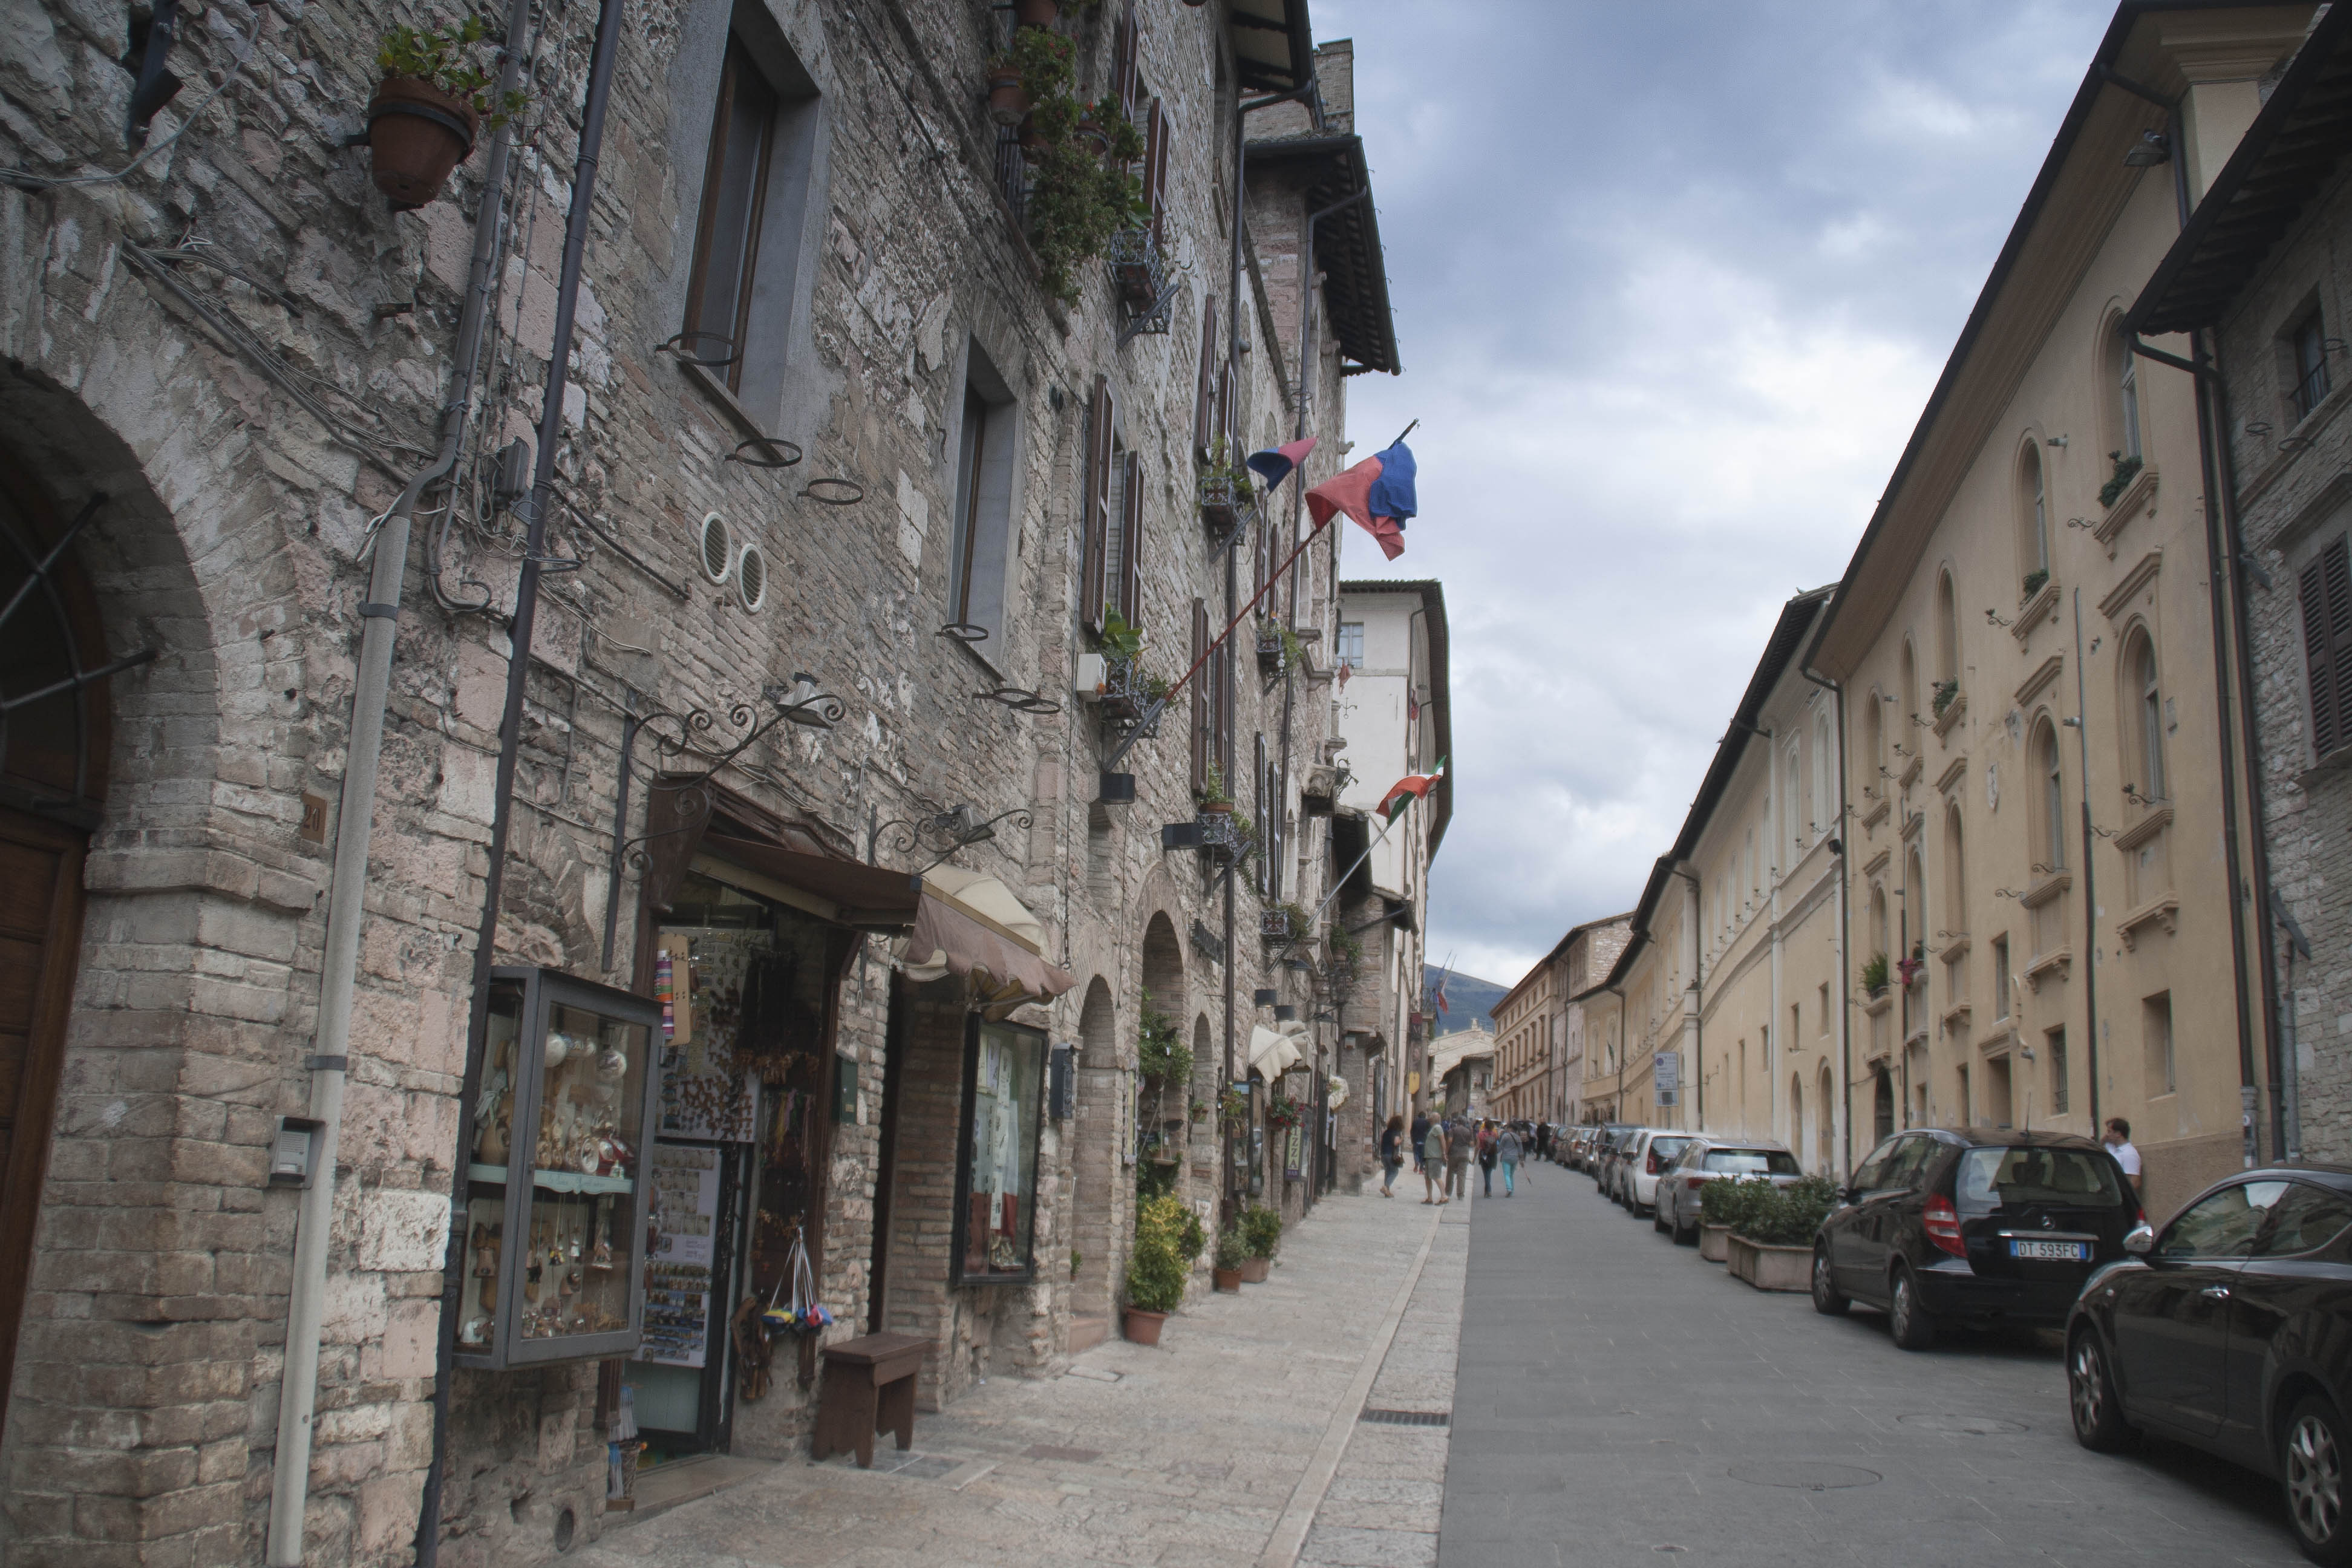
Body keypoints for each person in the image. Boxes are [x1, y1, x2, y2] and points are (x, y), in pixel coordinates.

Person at [2104, 1118, 2143, 1195]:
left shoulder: (2129, 1154)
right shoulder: (2110, 1147)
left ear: (2118, 1134)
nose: (2107, 1135)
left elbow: (2135, 1182)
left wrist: (2119, 1196)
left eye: (2109, 1132)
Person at [1421, 1116, 1449, 1204]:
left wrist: (1444, 1153)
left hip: (1435, 1157)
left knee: (1436, 1177)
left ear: (1434, 1119)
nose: (1429, 1119)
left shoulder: (1438, 1128)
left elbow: (1443, 1141)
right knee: (1428, 1177)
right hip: (1430, 1156)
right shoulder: (1433, 1128)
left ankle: (1444, 1197)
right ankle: (1430, 1198)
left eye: (1431, 1117)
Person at [1446, 1116, 1473, 1201]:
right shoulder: (1468, 1131)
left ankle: (1448, 1192)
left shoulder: (1452, 1130)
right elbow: (1472, 1144)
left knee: (1450, 1173)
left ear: (1457, 1122)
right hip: (1464, 1154)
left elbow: (1450, 1141)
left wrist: (1446, 1151)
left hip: (1453, 1153)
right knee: (1462, 1174)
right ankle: (1460, 1194)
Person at [1379, 1113, 1405, 1198]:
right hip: (1391, 1154)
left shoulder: (1386, 1132)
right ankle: (1386, 1187)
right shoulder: (1397, 1132)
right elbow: (1396, 1142)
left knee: (1388, 1171)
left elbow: (1381, 1142)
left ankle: (1387, 1191)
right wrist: (1401, 1139)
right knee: (1395, 1171)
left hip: (1383, 1154)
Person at [1497, 1123, 1524, 1197]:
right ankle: (1511, 1191)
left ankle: (1509, 1189)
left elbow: (1500, 1147)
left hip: (1506, 1157)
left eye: (1508, 1128)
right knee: (1511, 1175)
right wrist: (1521, 1160)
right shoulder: (1518, 1138)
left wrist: (1496, 1152)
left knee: (1507, 1174)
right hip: (1515, 1158)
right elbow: (1521, 1150)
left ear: (1511, 1129)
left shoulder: (1506, 1136)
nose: (1506, 1129)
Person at [1477, 1119, 1500, 1197]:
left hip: (1484, 1154)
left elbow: (1478, 1146)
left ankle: (1489, 1191)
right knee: (1489, 1174)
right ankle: (1486, 1192)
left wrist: (1474, 1158)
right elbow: (1497, 1144)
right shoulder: (1495, 1134)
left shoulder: (1480, 1134)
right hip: (1492, 1155)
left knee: (1486, 1174)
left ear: (1485, 1126)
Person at [1409, 1108, 1431, 1177]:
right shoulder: (1427, 1122)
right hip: (1424, 1141)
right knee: (1423, 1156)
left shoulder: (1415, 1121)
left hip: (1416, 1140)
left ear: (1419, 1116)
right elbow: (1429, 1132)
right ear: (1425, 1117)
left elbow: (1411, 1131)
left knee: (1416, 1153)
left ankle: (1417, 1162)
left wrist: (1412, 1139)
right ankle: (1421, 1170)